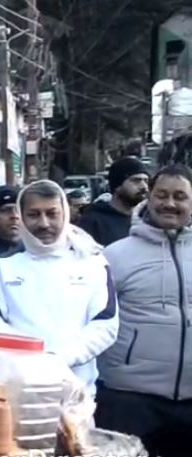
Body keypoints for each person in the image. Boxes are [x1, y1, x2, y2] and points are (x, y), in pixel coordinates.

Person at [0, 180, 117, 395]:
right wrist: (32, 358)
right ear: (22, 217)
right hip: (16, 390)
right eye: (34, 215)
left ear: (65, 214)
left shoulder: (93, 262)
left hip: (77, 394)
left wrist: (59, 358)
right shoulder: (2, 266)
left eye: (52, 214)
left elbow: (105, 324)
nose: (44, 223)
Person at [97, 164, 192, 457]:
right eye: (161, 195)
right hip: (129, 397)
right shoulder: (115, 255)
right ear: (149, 197)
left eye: (180, 196)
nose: (170, 203)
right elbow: (94, 320)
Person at [78, 157, 149, 246]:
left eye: (146, 181)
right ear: (117, 185)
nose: (144, 187)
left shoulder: (147, 220)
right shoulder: (92, 222)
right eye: (136, 181)